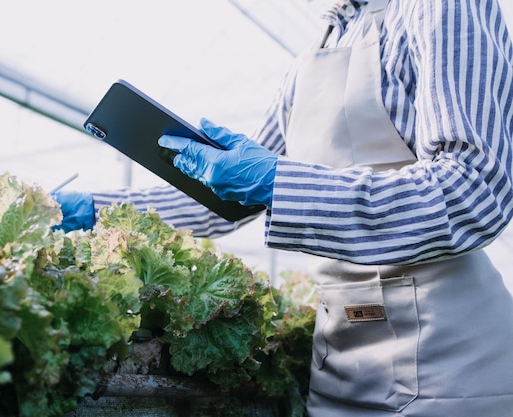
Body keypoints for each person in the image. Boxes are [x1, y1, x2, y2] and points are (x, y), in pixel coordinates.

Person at [54, 0, 513, 415]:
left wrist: (277, 180)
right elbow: (227, 201)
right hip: (338, 363)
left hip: (444, 363)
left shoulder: (442, 7)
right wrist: (97, 210)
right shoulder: (320, 47)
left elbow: (473, 188)